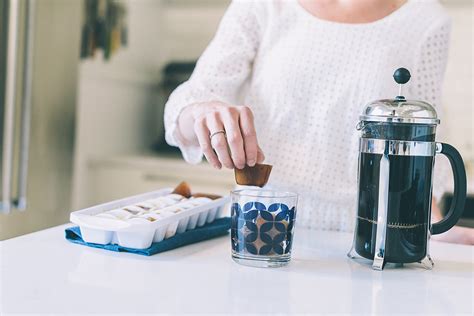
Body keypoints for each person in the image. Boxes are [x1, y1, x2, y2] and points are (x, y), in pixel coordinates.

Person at [164, 0, 473, 244]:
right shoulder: (262, 5)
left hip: (369, 239)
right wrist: (203, 112)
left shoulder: (426, 19)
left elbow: (422, 139)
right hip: (263, 232)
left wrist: (434, 228)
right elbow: (190, 102)